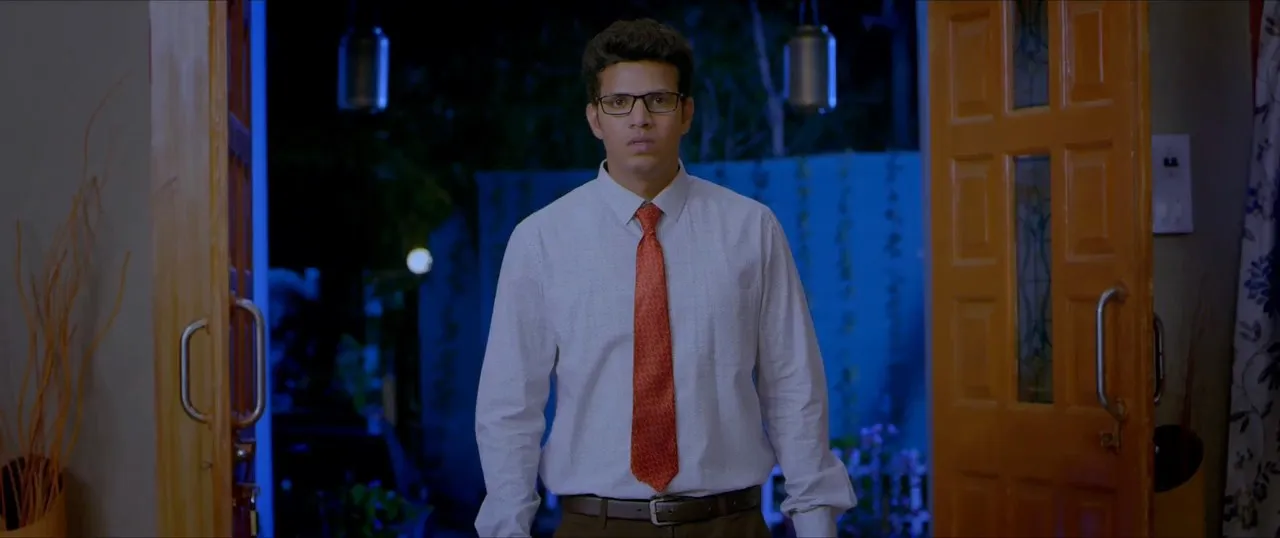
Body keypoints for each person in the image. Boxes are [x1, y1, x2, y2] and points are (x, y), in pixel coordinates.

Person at [474, 18, 856, 538]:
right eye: (619, 102)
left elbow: (793, 385)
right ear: (594, 118)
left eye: (658, 100)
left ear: (686, 113)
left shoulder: (751, 229)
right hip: (596, 525)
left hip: (730, 524)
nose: (639, 118)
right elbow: (510, 404)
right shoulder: (541, 240)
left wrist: (815, 523)